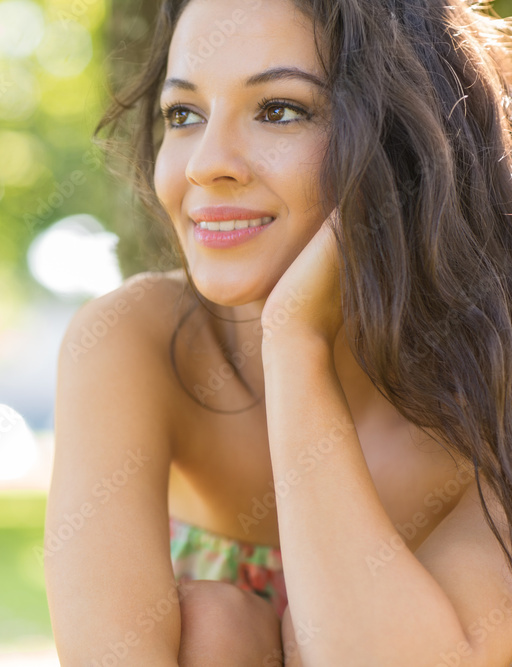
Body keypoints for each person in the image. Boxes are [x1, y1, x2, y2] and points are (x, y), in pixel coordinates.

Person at [43, 0, 512, 664]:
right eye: (184, 115)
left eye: (279, 110)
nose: (207, 163)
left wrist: (294, 342)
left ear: (401, 140)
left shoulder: (496, 378)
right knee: (215, 620)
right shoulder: (132, 343)